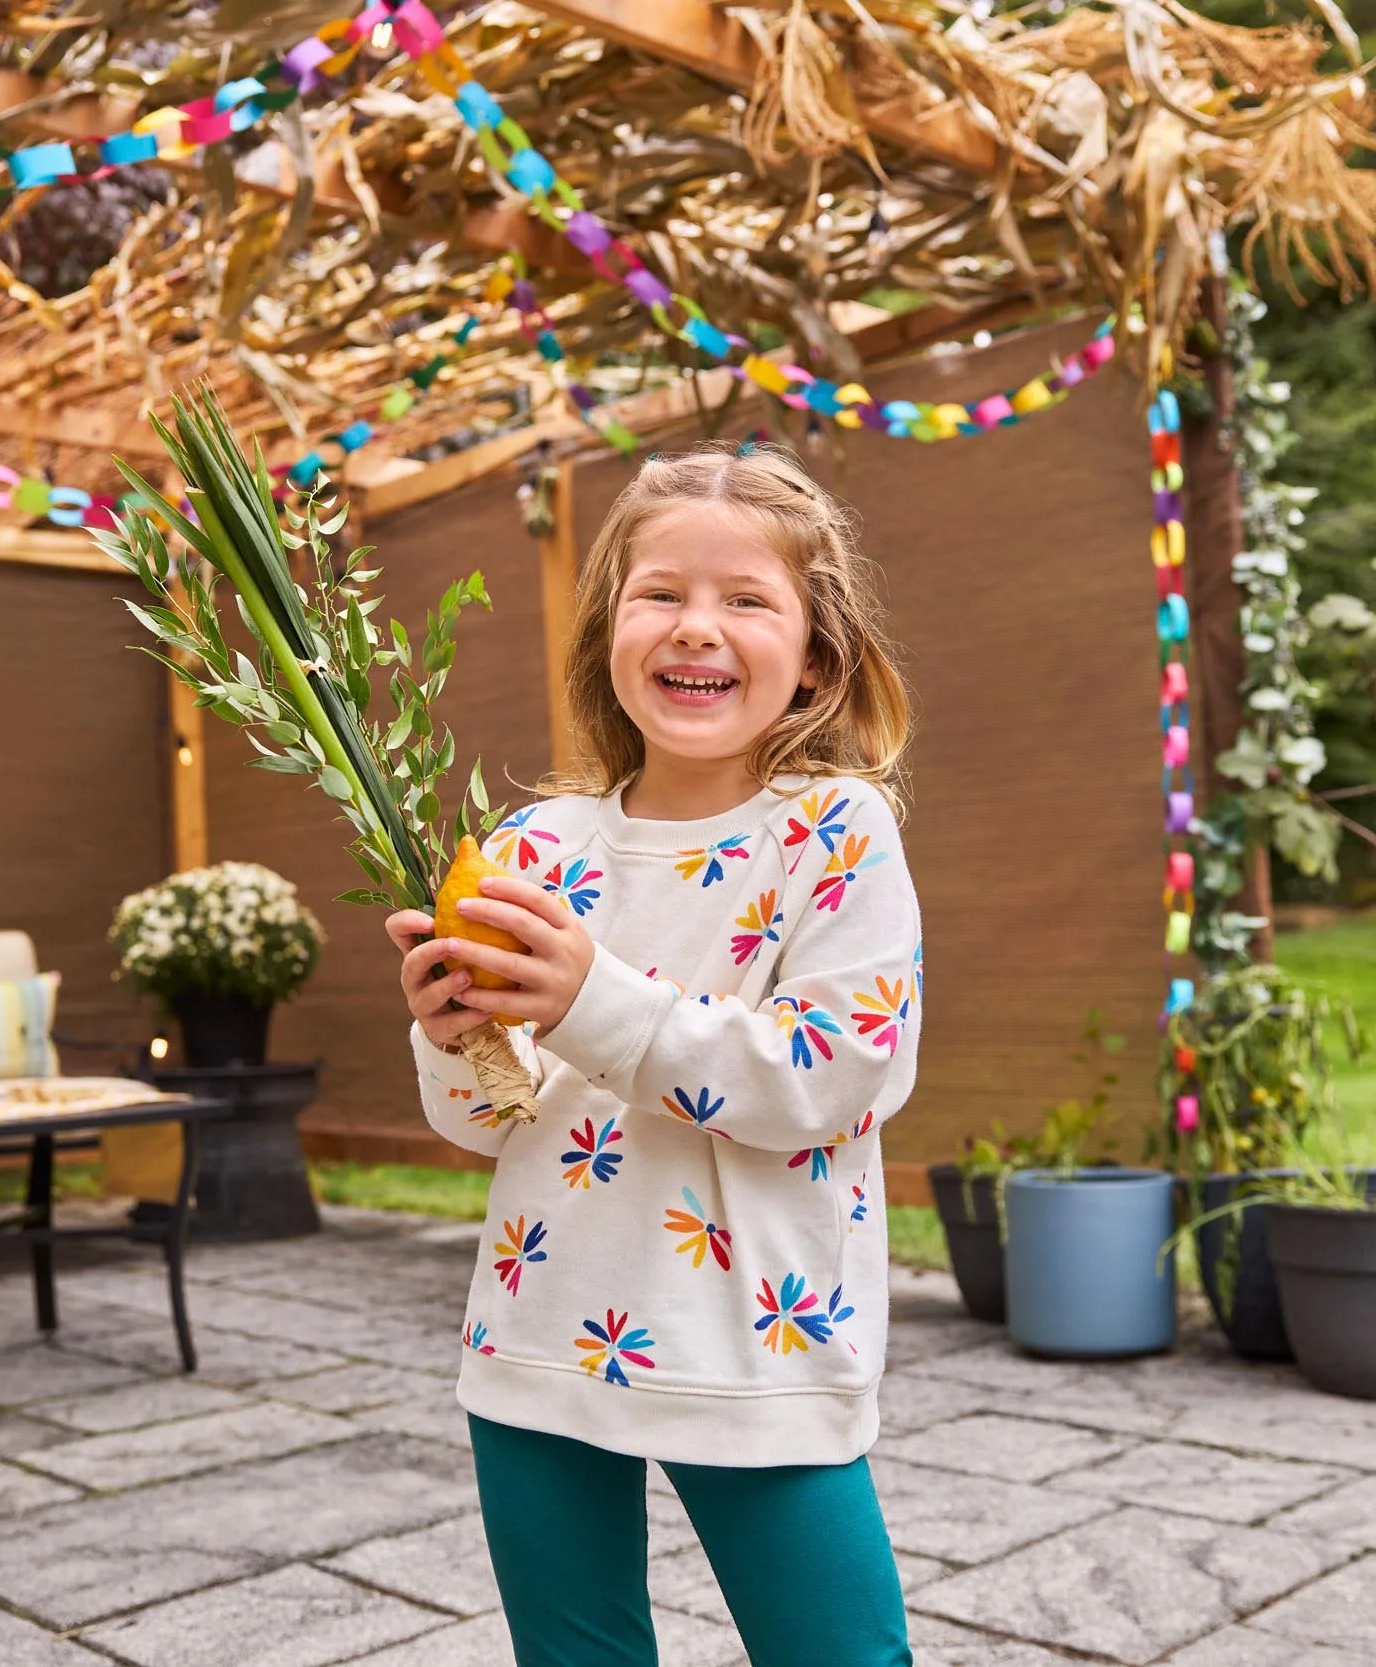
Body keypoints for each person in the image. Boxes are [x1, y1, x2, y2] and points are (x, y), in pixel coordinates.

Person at [385, 442, 923, 1667]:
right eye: (660, 592)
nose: (696, 626)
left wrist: (591, 1000)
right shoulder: (532, 843)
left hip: (756, 1348)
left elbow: (830, 1075)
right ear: (608, 632)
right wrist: (452, 1036)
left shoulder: (832, 832)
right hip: (539, 1331)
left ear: (817, 653)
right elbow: (488, 1120)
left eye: (747, 599)